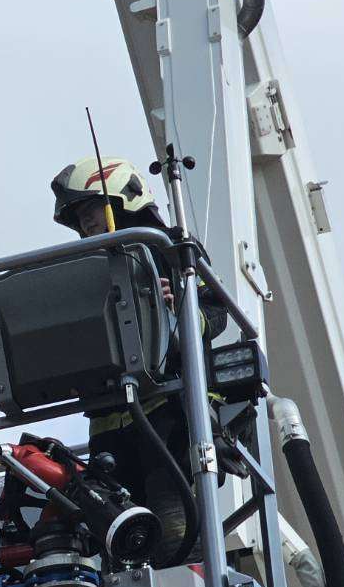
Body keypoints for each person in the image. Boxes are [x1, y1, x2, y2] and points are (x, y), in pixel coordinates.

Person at [50, 156, 228, 563]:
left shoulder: (170, 247)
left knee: (175, 537)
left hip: (171, 415)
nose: (86, 222)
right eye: (79, 216)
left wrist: (178, 308)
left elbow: (217, 313)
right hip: (109, 426)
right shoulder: (80, 270)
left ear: (124, 197)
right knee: (118, 542)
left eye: (91, 208)